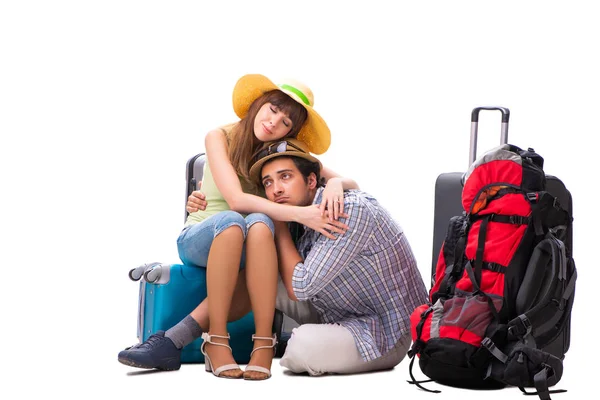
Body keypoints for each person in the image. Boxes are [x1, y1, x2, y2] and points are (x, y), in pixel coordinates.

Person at [118, 74, 357, 381]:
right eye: (272, 109)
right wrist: (301, 214)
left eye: (285, 122)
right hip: (202, 236)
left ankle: (259, 345)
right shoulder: (219, 136)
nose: (274, 123)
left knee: (260, 224)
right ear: (258, 104)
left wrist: (335, 182)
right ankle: (216, 341)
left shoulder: (282, 150)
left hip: (249, 249)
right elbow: (235, 199)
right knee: (235, 220)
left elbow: (352, 183)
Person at [189, 139, 429, 375]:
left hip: (383, 332)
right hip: (335, 306)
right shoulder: (305, 217)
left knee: (301, 348)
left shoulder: (346, 210)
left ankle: (273, 343)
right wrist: (204, 204)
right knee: (259, 272)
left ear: (312, 180)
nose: (276, 189)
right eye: (268, 182)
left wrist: (279, 221)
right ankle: (179, 337)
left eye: (285, 176)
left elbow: (300, 287)